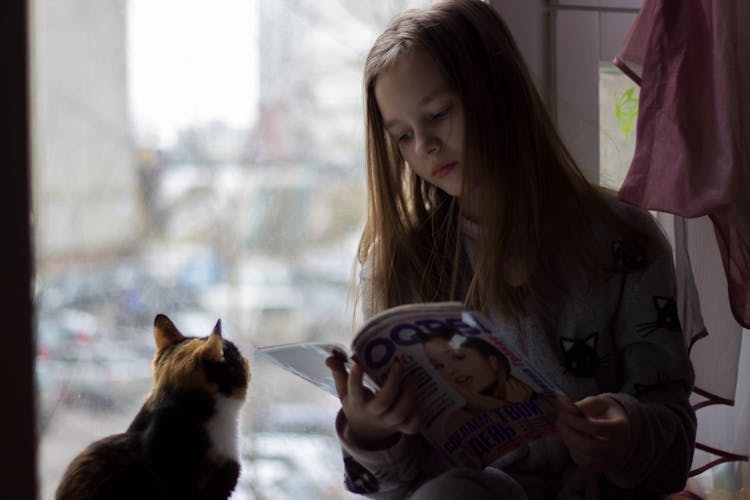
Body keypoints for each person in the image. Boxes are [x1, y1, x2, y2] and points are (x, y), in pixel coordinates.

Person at [325, 0, 696, 498]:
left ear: (498, 95)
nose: (425, 146)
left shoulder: (626, 242)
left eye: (438, 114)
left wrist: (626, 434)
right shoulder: (399, 265)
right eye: (404, 137)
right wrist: (372, 432)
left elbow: (673, 438)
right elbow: (390, 486)